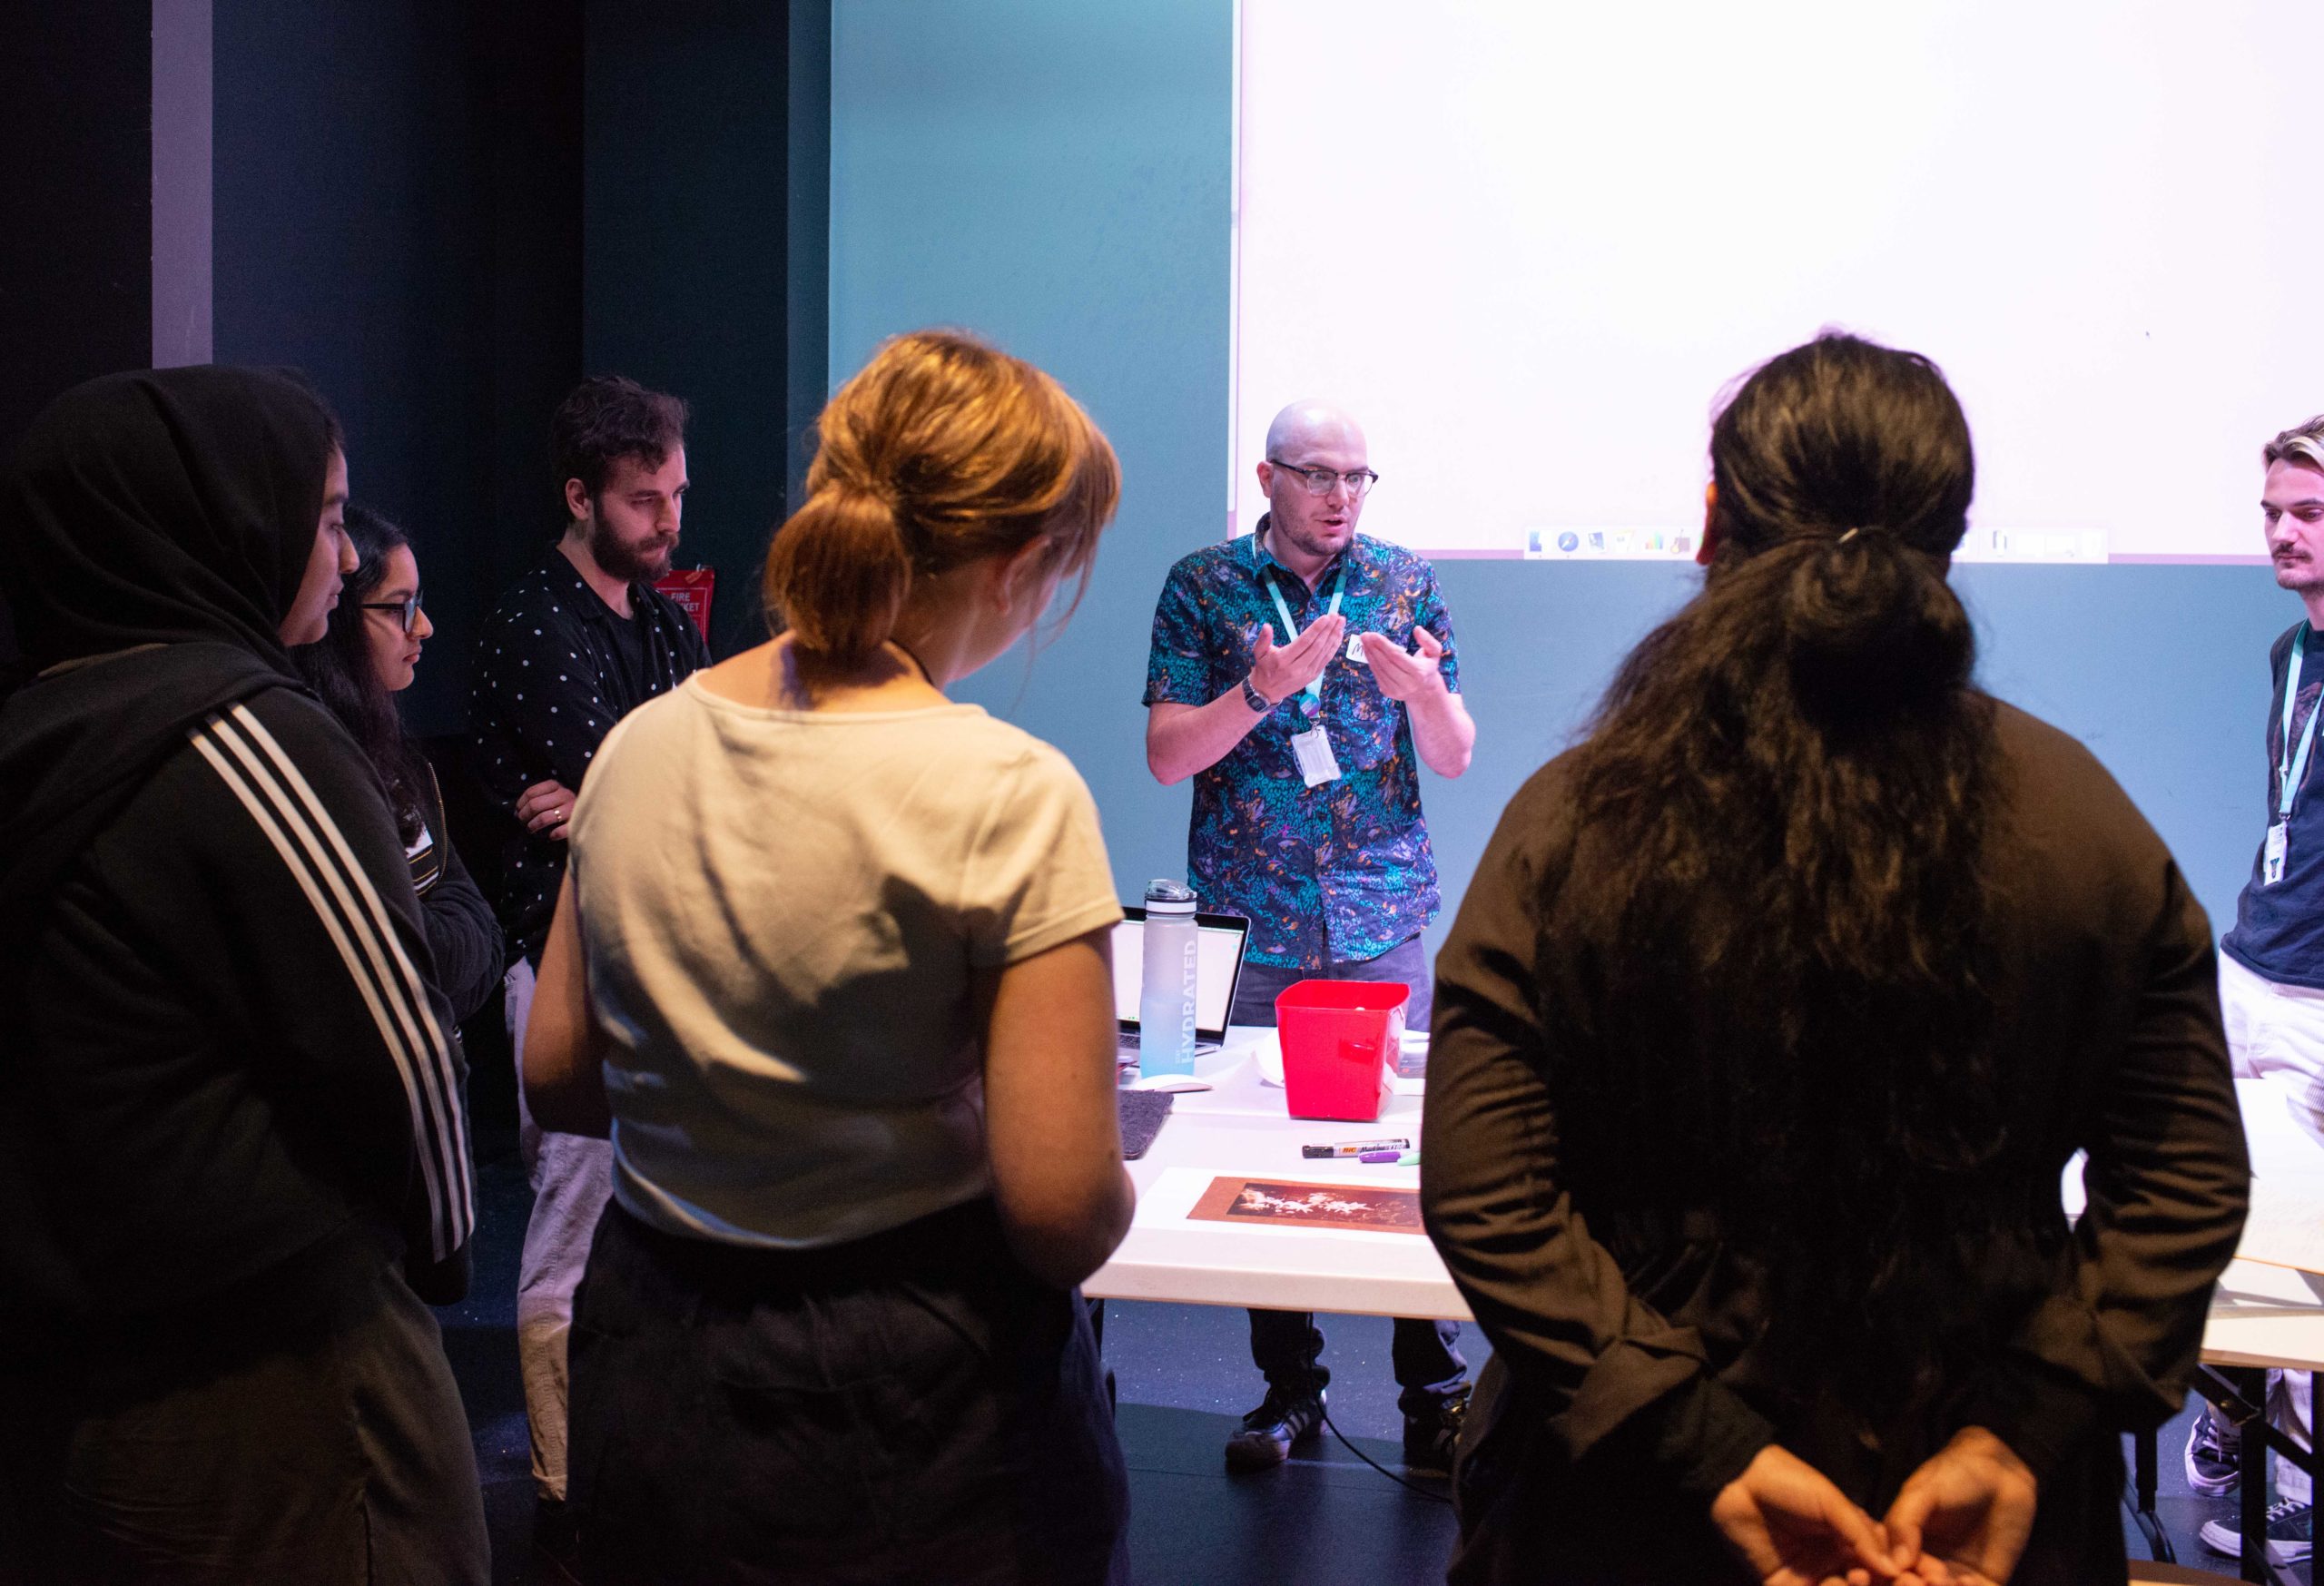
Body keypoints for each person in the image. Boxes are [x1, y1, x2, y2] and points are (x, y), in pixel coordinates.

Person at [1421, 332, 2250, 1585]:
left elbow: (1490, 1191)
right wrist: (2021, 1430)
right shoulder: (2090, 823)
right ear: (1948, 541)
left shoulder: (1575, 819)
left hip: (1636, 1518)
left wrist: (1699, 1439)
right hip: (1981, 1524)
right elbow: (2183, 1180)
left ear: (1713, 521)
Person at [521, 329, 1133, 1582]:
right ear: (1019, 568)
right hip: (918, 1406)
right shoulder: (1011, 790)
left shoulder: (640, 745)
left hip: (660, 1366)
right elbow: (1064, 1209)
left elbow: (562, 1075)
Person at [0, 367, 486, 1584]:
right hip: (292, 1379)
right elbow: (406, 1044)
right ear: (225, 520)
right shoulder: (242, 729)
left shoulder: (45, 725)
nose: (337, 548)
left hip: (97, 1373)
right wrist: (433, 1268)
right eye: (324, 515)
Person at [1144, 399, 1473, 1472]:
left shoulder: (1403, 579)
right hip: (1258, 914)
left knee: (1406, 1151)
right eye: (1320, 475)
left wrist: (1424, 694)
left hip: (1378, 909)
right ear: (1268, 477)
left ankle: (1434, 1393)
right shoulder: (1204, 587)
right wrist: (1261, 688)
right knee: (1262, 1157)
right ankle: (1286, 1391)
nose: (1341, 498)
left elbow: (1456, 752)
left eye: (1358, 478)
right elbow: (1165, 756)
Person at [468, 372, 710, 1539]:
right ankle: (564, 1484)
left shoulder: (662, 622)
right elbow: (640, 783)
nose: (669, 520)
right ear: (579, 496)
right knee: (568, 1221)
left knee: (650, 1225)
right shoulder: (531, 622)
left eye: (674, 493)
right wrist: (625, 788)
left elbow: (682, 778)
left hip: (655, 951)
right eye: (643, 500)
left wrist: (616, 790)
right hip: (560, 957)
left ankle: (629, 1462)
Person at [2183, 414, 2324, 1566]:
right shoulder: (2287, 654)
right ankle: (2233, 1423)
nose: (2283, 534)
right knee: (2223, 1204)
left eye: (2309, 514)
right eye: (2272, 512)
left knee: (2316, 1247)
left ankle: (2296, 1468)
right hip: (2252, 964)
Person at [294, 504, 500, 1027]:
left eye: (419, 604)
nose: (423, 628)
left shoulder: (402, 760)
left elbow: (486, 939)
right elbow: (411, 962)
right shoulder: (322, 766)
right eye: (397, 608)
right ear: (338, 612)